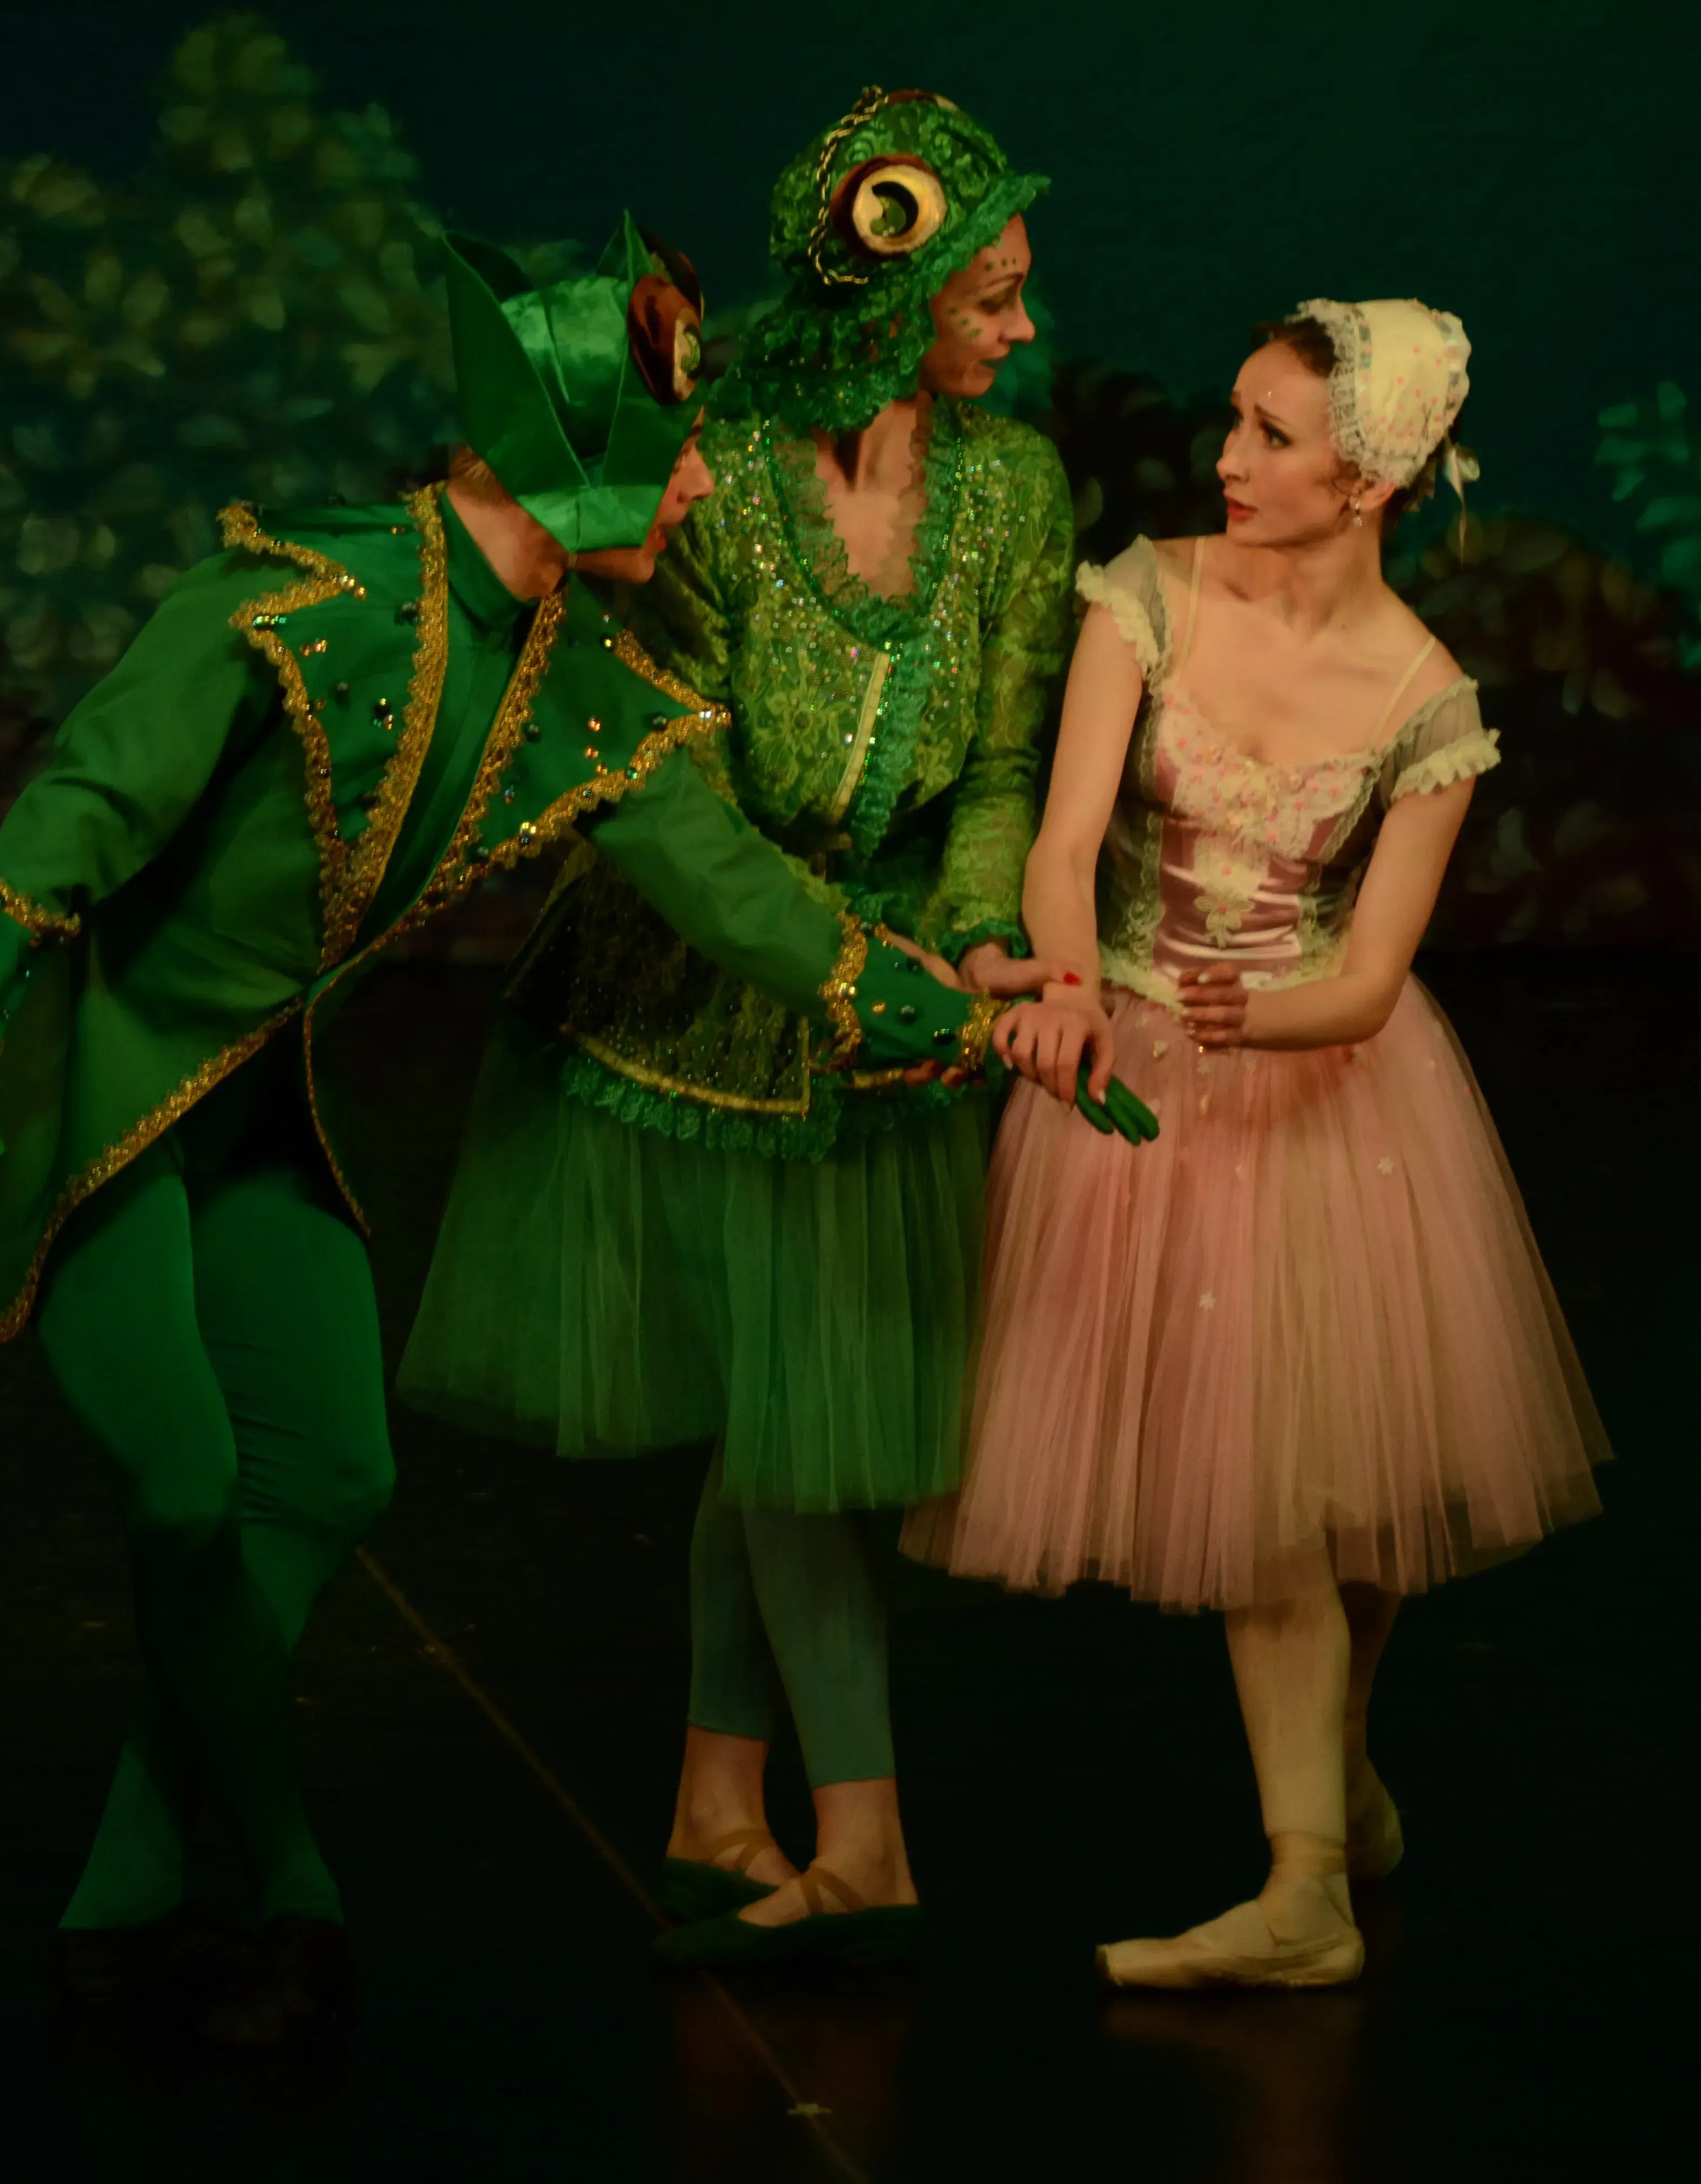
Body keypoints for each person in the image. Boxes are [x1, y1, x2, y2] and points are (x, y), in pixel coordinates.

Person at [0, 219, 1012, 2046]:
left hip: (249, 1097)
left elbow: (724, 884)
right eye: (677, 446)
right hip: (91, 1091)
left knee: (328, 1472)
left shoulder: (564, 675)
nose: (704, 481)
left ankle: (127, 1880)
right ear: (577, 453)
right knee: (188, 1488)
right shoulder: (303, 600)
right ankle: (291, 1878)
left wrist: (944, 1013)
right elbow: (80, 804)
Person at [401, 91, 1132, 1971]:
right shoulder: (714, 474)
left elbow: (999, 764)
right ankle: (864, 1841)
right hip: (713, 991)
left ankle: (717, 1806)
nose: (1022, 331)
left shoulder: (1011, 488)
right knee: (789, 1435)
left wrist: (976, 938)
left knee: (784, 1422)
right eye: (990, 299)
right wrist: (845, 964)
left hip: (898, 997)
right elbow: (687, 789)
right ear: (887, 302)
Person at [903, 299, 1610, 1988]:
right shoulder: (1149, 597)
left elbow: (1367, 978)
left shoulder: (1427, 703)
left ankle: (1309, 1876)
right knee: (1284, 1500)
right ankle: (1327, 1827)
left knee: (1330, 1493)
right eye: (1235, 419)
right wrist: (1077, 989)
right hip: (1143, 1061)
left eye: (1272, 436)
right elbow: (1066, 843)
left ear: (1367, 480)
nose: (1228, 458)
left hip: (1320, 1095)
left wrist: (1255, 1017)